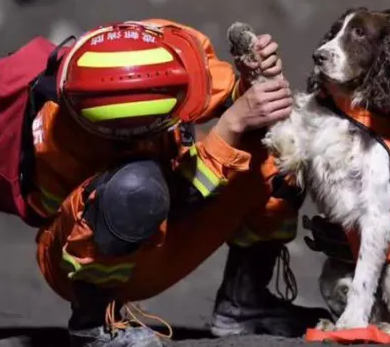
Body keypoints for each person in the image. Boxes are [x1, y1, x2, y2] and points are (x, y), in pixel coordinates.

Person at [29, 19, 330, 347]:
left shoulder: (162, 55)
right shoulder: (58, 139)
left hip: (162, 224)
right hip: (89, 260)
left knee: (279, 152)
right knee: (133, 189)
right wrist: (232, 123)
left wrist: (250, 82)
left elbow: (224, 95)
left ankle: (245, 303)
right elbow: (173, 199)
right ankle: (93, 325)